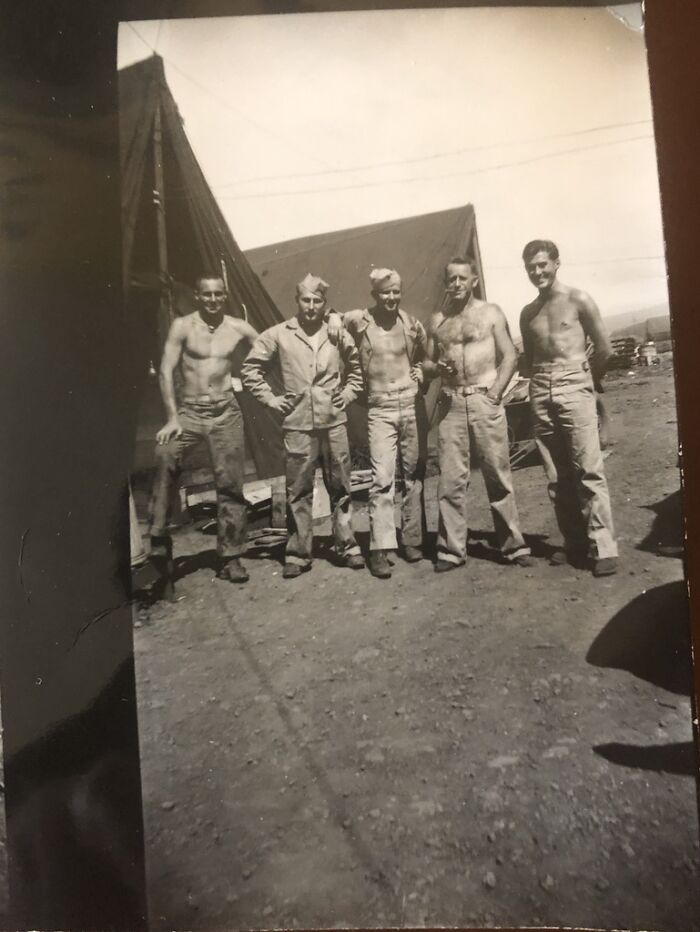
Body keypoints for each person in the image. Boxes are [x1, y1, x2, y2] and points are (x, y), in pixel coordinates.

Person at [241, 274, 365, 578]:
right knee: (298, 489)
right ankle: (298, 553)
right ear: (297, 302)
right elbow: (250, 369)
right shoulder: (278, 334)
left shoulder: (335, 333)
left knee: (342, 486)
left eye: (317, 301)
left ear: (324, 304)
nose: (311, 306)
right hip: (297, 423)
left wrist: (348, 394)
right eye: (306, 300)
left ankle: (347, 546)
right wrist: (270, 400)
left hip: (333, 421)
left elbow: (357, 368)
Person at [148, 274, 259, 589]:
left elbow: (270, 345)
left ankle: (231, 556)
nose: (213, 300)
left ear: (225, 296)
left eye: (219, 295)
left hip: (226, 411)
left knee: (231, 485)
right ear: (197, 295)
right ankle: (158, 535)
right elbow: (166, 371)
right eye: (207, 294)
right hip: (189, 413)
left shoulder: (237, 327)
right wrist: (172, 418)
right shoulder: (182, 326)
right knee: (165, 455)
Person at [425, 258, 532, 572]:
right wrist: (437, 368)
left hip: (485, 399)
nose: (456, 284)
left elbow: (510, 355)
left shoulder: (491, 313)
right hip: (451, 405)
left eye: (462, 278)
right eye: (451, 279)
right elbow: (426, 364)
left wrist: (496, 392)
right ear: (446, 283)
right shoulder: (437, 320)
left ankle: (513, 546)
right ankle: (450, 550)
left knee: (497, 475)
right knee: (450, 480)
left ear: (473, 280)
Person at [519, 239, 618, 577]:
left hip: (574, 382)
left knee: (588, 469)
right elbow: (531, 360)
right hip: (541, 389)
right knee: (556, 473)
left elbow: (604, 348)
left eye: (542, 264)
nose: (537, 272)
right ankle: (574, 541)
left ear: (557, 263)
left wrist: (589, 384)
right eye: (531, 267)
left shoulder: (578, 299)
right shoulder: (528, 313)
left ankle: (603, 545)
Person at [326, 268, 427, 579]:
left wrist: (422, 369)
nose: (392, 297)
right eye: (385, 292)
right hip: (380, 408)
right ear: (374, 295)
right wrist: (331, 315)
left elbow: (424, 355)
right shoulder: (360, 319)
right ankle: (381, 549)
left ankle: (411, 541)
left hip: (410, 404)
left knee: (413, 477)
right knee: (382, 480)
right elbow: (335, 317)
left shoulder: (410, 323)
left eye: (396, 291)